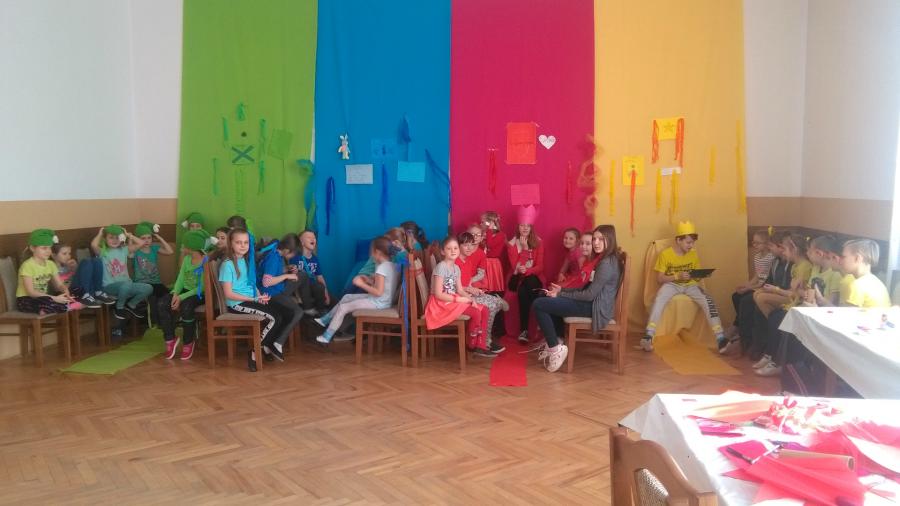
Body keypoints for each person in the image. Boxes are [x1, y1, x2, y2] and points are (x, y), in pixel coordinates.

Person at [530, 224, 623, 372]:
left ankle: (555, 348)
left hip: (594, 308)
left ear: (610, 240)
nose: (596, 243)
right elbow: (585, 287)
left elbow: (589, 295)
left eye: (600, 239)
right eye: (594, 239)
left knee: (539, 304)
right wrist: (562, 290)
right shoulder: (603, 259)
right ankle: (557, 341)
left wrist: (561, 294)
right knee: (548, 299)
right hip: (591, 303)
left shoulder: (606, 263)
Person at [753, 235, 846, 376]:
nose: (807, 254)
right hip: (804, 307)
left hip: (816, 313)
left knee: (781, 321)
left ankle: (780, 362)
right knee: (775, 317)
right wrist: (799, 289)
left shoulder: (835, 275)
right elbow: (804, 293)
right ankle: (771, 356)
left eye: (809, 251)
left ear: (819, 253)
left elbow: (826, 303)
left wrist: (799, 291)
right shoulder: (815, 269)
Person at [639, 221, 726, 352]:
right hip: (671, 284)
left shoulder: (693, 253)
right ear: (678, 240)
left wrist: (700, 275)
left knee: (709, 300)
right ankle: (648, 336)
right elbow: (659, 279)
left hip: (690, 285)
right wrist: (677, 276)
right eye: (688, 242)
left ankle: (720, 339)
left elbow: (696, 275)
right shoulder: (665, 254)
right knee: (659, 299)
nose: (691, 245)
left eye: (692, 243)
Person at [218, 228, 295, 372]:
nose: (243, 246)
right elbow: (228, 294)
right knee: (275, 318)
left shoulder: (245, 261)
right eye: (238, 242)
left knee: (287, 313)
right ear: (231, 243)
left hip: (251, 298)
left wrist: (259, 296)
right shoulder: (227, 265)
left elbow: (251, 284)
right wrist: (253, 299)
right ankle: (255, 351)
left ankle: (267, 345)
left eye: (246, 242)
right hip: (237, 304)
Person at [314, 237, 400, 345]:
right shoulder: (392, 265)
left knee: (343, 308)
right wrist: (368, 280)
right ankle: (326, 319)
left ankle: (326, 336)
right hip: (383, 301)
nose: (370, 255)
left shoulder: (381, 268)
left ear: (377, 252)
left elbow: (378, 292)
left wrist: (362, 284)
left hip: (378, 303)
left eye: (371, 252)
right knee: (347, 297)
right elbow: (384, 287)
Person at [424, 236, 494, 357]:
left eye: (455, 248)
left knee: (484, 310)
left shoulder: (456, 268)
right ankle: (471, 345)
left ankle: (480, 345)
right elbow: (438, 294)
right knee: (475, 313)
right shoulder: (441, 267)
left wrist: (471, 300)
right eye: (449, 248)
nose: (453, 251)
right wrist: (459, 299)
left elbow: (460, 289)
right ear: (442, 251)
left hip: (452, 299)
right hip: (440, 303)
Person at [158, 229, 216, 361]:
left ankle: (188, 341)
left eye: (185, 245)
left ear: (192, 247)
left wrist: (181, 297)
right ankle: (170, 339)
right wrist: (175, 293)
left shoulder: (206, 261)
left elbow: (202, 287)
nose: (182, 247)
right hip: (183, 291)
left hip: (199, 294)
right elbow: (180, 279)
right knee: (162, 303)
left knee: (186, 307)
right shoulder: (186, 259)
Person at [720, 230, 775, 354]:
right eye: (753, 242)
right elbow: (757, 275)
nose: (754, 245)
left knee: (745, 300)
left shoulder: (770, 258)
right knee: (736, 296)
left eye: (758, 243)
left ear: (767, 243)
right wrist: (747, 285)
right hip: (757, 285)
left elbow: (766, 280)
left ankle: (740, 331)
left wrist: (750, 288)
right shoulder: (757, 257)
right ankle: (740, 326)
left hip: (764, 287)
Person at [91, 225, 152, 330]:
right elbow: (93, 245)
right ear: (105, 239)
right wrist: (100, 234)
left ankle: (130, 305)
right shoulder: (103, 252)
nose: (115, 240)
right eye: (111, 237)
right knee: (126, 285)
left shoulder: (124, 250)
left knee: (148, 288)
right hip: (109, 286)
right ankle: (119, 307)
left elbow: (141, 243)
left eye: (117, 237)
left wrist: (128, 235)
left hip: (126, 286)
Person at [457, 231, 509, 353]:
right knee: (492, 305)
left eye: (471, 244)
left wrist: (472, 289)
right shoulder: (456, 263)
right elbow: (456, 287)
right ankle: (484, 341)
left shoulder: (467, 261)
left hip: (467, 293)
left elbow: (467, 281)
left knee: (494, 304)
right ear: (458, 246)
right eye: (465, 245)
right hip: (460, 297)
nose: (469, 247)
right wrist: (470, 289)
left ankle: (483, 339)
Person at [256, 234, 304, 360]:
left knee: (302, 276)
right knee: (297, 312)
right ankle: (277, 343)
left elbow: (272, 272)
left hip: (275, 291)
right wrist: (287, 276)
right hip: (268, 294)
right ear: (287, 250)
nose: (293, 257)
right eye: (293, 254)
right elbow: (267, 282)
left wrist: (286, 269)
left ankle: (269, 344)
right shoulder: (273, 257)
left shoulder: (276, 254)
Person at [16, 229, 80, 314]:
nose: (48, 251)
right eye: (44, 248)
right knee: (49, 303)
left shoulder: (50, 264)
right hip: (26, 300)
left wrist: (65, 290)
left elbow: (59, 285)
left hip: (44, 298)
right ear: (32, 248)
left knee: (74, 295)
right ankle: (62, 308)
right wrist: (54, 298)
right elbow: (31, 292)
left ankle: (63, 307)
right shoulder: (27, 266)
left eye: (50, 247)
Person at [507, 205, 544, 344]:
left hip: (534, 277)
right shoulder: (511, 244)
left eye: (528, 225)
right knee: (523, 289)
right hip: (518, 279)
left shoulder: (539, 242)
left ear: (531, 227)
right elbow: (515, 267)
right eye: (522, 225)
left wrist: (528, 271)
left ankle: (525, 330)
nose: (525, 228)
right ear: (518, 227)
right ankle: (535, 324)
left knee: (527, 285)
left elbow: (540, 266)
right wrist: (524, 249)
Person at [132, 221, 174, 323]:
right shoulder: (135, 251)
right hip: (142, 283)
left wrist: (159, 238)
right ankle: (155, 323)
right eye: (143, 238)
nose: (146, 241)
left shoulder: (154, 248)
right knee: (152, 297)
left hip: (156, 282)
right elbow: (129, 250)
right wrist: (132, 240)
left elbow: (170, 251)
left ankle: (165, 322)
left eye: (149, 238)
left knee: (168, 295)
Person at [840, 239, 891, 308]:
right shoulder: (876, 282)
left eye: (843, 257)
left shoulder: (858, 285)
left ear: (857, 258)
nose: (840, 261)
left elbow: (848, 314)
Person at [289, 230, 330, 315]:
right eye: (309, 237)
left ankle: (321, 311)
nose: (313, 239)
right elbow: (292, 278)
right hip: (300, 287)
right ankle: (308, 310)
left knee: (319, 287)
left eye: (314, 237)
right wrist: (298, 296)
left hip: (312, 287)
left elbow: (320, 277)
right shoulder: (295, 258)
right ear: (301, 242)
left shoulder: (315, 259)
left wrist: (326, 294)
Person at [50, 242, 101, 308]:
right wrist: (75, 272)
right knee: (86, 262)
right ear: (54, 256)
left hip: (82, 291)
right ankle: (86, 295)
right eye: (64, 254)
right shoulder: (51, 268)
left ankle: (97, 293)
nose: (68, 256)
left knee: (95, 261)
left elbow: (81, 280)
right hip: (68, 294)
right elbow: (58, 289)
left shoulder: (69, 266)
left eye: (69, 253)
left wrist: (75, 269)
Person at [478, 211, 507, 293]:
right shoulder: (484, 234)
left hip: (492, 263)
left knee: (492, 287)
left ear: (490, 223)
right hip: (483, 262)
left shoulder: (500, 235)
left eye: (483, 222)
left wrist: (490, 230)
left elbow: (489, 245)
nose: (480, 224)